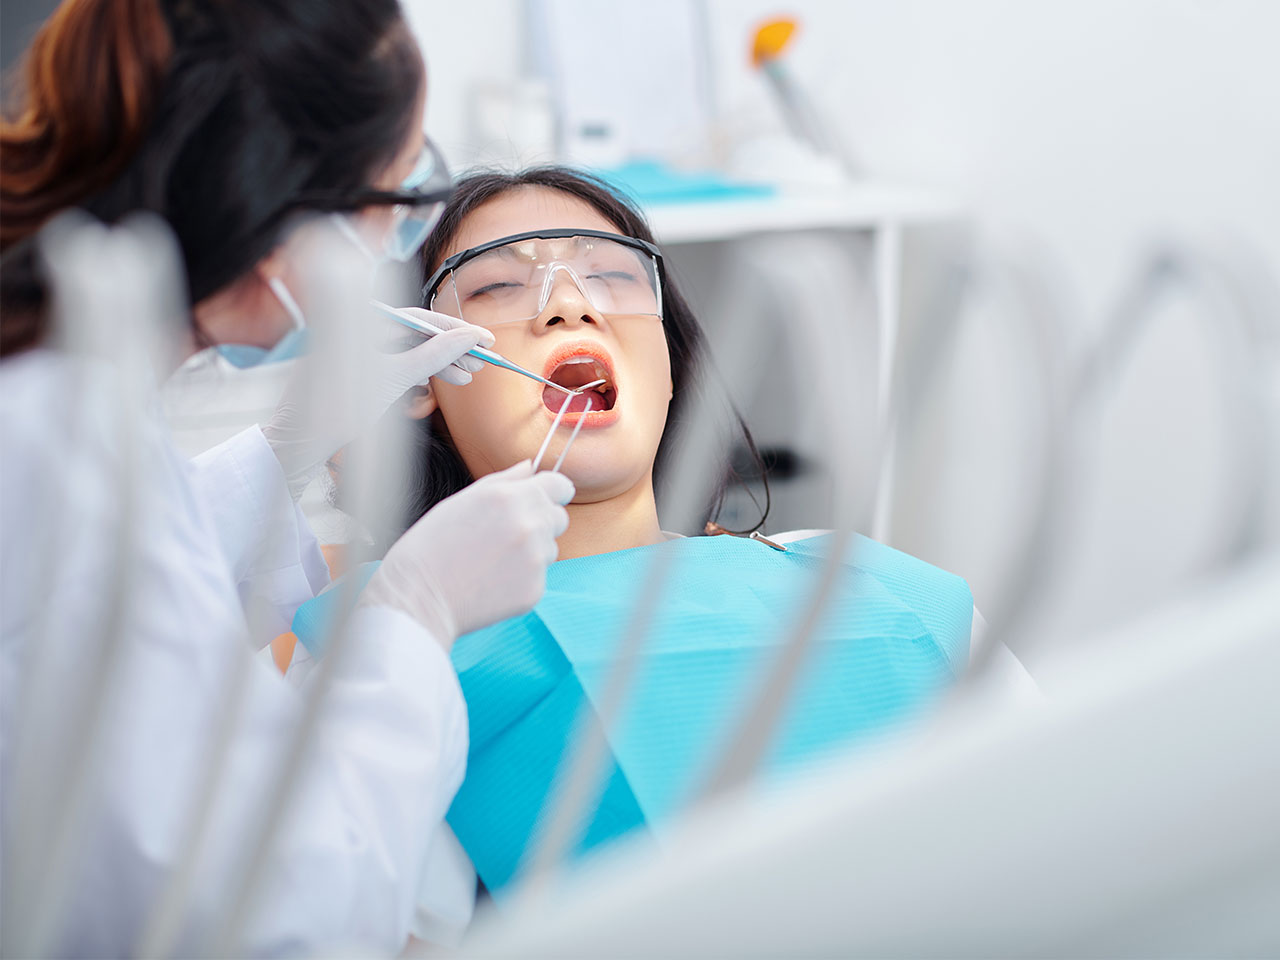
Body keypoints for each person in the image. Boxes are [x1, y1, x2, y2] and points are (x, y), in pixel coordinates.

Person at [290, 166, 1038, 918]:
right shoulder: (393, 652)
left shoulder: (876, 587)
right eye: (497, 288)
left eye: (612, 276)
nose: (570, 307)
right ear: (420, 382)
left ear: (670, 366)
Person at [0, 1, 571, 955]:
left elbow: (113, 598)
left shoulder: (66, 377)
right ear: (277, 220)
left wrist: (284, 451)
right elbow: (278, 914)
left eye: (609, 278)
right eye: (393, 200)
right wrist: (414, 611)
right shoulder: (56, 444)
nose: (563, 316)